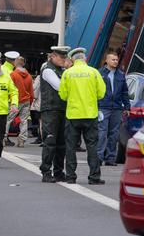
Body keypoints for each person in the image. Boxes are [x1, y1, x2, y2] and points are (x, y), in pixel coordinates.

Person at [59, 47, 106, 185]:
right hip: (90, 114)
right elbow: (101, 93)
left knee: (70, 147)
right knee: (92, 146)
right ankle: (94, 177)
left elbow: (63, 95)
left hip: (73, 115)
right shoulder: (94, 72)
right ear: (85, 59)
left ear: (73, 59)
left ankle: (71, 177)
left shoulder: (68, 73)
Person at [39, 47, 69, 182]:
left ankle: (58, 172)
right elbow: (59, 86)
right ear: (53, 56)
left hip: (62, 109)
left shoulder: (62, 71)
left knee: (61, 143)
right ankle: (46, 172)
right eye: (62, 58)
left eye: (65, 58)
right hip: (50, 110)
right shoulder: (48, 70)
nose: (64, 60)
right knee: (50, 142)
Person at [97, 51, 130, 166]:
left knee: (114, 134)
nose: (115, 61)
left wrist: (127, 106)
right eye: (113, 59)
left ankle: (110, 158)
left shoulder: (121, 75)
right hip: (103, 107)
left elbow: (125, 92)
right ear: (106, 60)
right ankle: (98, 157)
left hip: (116, 108)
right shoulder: (99, 73)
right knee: (102, 132)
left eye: (116, 60)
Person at [9, 56, 34, 147]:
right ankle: (22, 140)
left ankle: (3, 138)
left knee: (8, 119)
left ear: (15, 63)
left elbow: (10, 89)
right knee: (24, 121)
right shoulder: (29, 76)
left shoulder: (13, 75)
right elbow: (31, 91)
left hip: (15, 101)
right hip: (26, 100)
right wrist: (30, 102)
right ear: (23, 64)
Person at [1, 51, 20, 145]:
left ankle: (4, 137)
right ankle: (4, 138)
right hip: (7, 99)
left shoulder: (1, 68)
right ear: (14, 61)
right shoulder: (11, 72)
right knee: (7, 120)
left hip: (1, 98)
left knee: (4, 120)